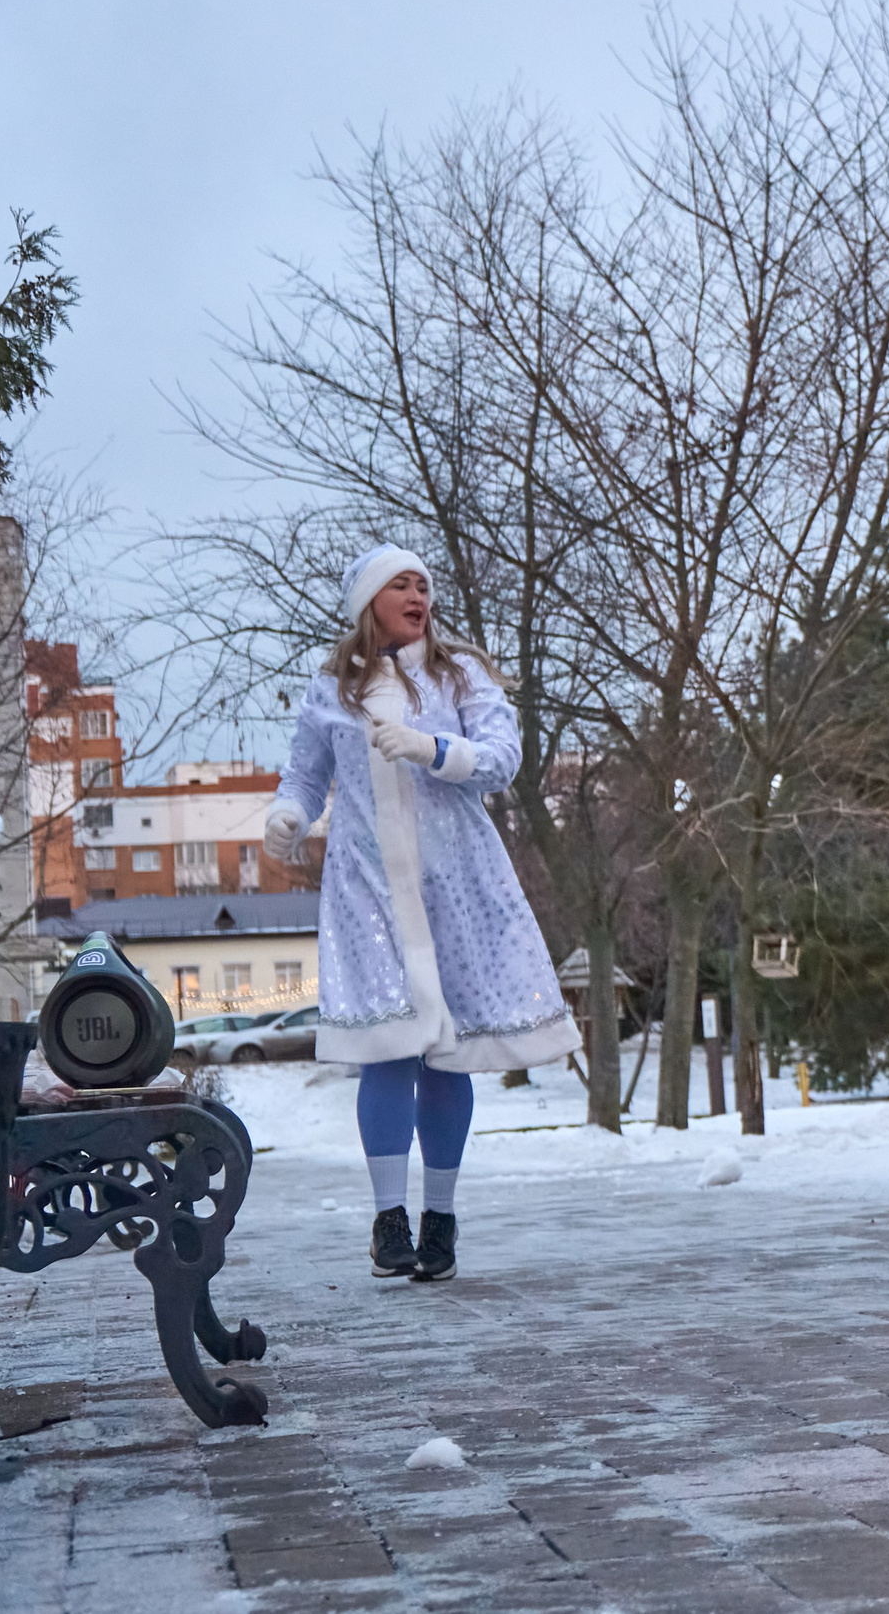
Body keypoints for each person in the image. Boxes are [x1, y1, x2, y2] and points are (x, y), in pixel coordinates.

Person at [264, 546, 577, 1283]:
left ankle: (439, 1216)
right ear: (367, 600)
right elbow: (306, 773)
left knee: (449, 1050)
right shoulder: (331, 688)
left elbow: (503, 759)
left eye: (423, 583)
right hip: (368, 885)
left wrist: (431, 746)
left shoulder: (458, 674)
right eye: (399, 583)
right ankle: (387, 1220)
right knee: (388, 1045)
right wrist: (289, 814)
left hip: (455, 882)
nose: (417, 593)